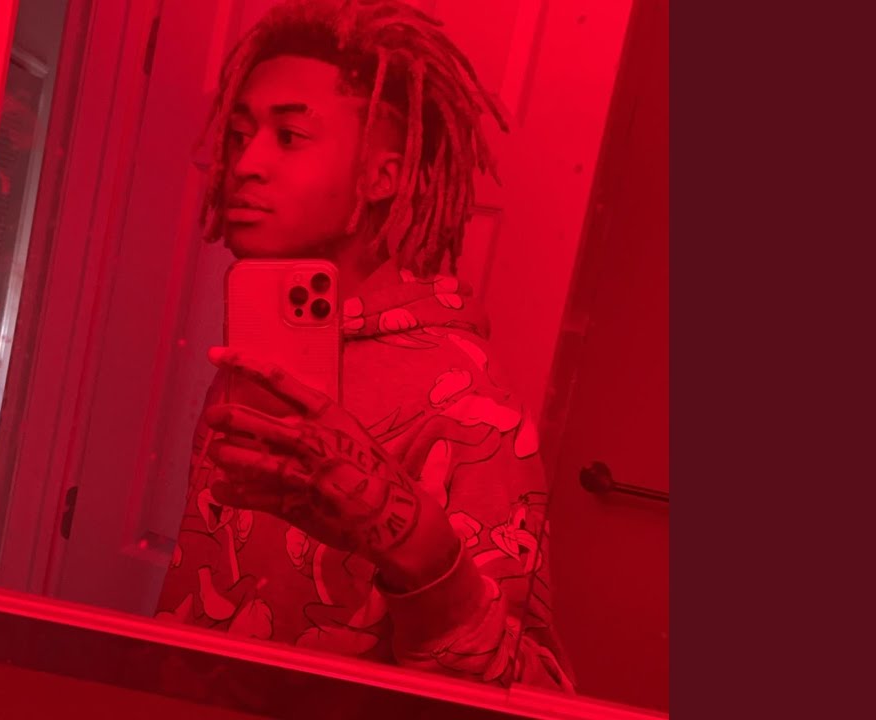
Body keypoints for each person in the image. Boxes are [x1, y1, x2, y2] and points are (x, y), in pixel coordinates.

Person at [155, 0, 574, 691]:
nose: (245, 163)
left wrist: (418, 551)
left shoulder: (473, 415)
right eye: (238, 135)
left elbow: (530, 695)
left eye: (290, 136)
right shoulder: (261, 365)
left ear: (384, 177)